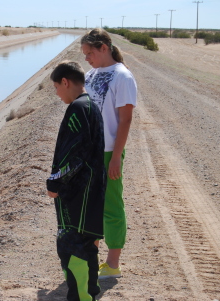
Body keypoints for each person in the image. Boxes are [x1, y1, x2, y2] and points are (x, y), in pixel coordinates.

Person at [46, 61, 106, 301]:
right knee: (88, 243)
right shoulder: (90, 105)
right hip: (92, 191)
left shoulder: (77, 109)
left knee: (72, 246)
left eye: (56, 87)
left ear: (65, 82)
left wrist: (55, 183)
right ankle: (90, 292)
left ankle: (81, 297)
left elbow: (76, 156)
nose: (56, 93)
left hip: (77, 195)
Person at [80, 28, 138, 279]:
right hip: (88, 152)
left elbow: (125, 121)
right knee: (89, 207)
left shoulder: (122, 77)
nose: (86, 58)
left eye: (89, 52)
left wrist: (116, 157)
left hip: (107, 153)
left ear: (104, 48)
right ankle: (91, 259)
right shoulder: (91, 74)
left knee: (111, 206)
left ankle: (113, 264)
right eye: (84, 54)